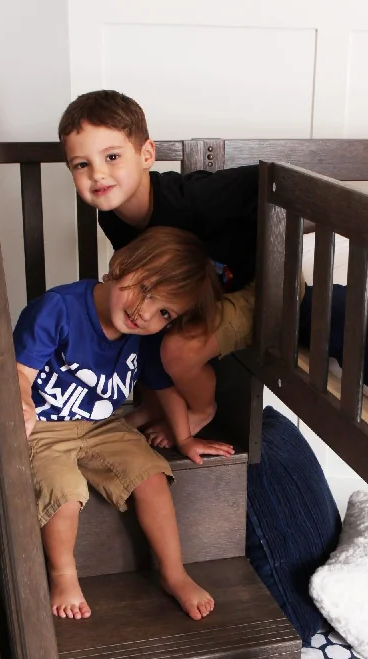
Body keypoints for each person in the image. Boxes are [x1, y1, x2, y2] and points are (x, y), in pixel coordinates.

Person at [13, 226, 234, 621]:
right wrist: (22, 404)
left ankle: (173, 573)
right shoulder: (58, 308)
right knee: (64, 492)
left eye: (164, 312)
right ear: (121, 265)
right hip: (46, 426)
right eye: (144, 289)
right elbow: (19, 372)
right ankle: (63, 575)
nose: (144, 312)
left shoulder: (144, 336)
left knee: (151, 475)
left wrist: (184, 437)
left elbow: (163, 388)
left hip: (104, 425)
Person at [58, 90, 260, 450]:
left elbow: (269, 183)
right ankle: (154, 405)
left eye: (112, 157)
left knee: (178, 348)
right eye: (81, 164)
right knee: (137, 313)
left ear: (146, 154)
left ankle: (201, 409)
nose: (98, 175)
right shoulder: (112, 215)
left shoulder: (194, 198)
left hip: (257, 285)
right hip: (194, 292)